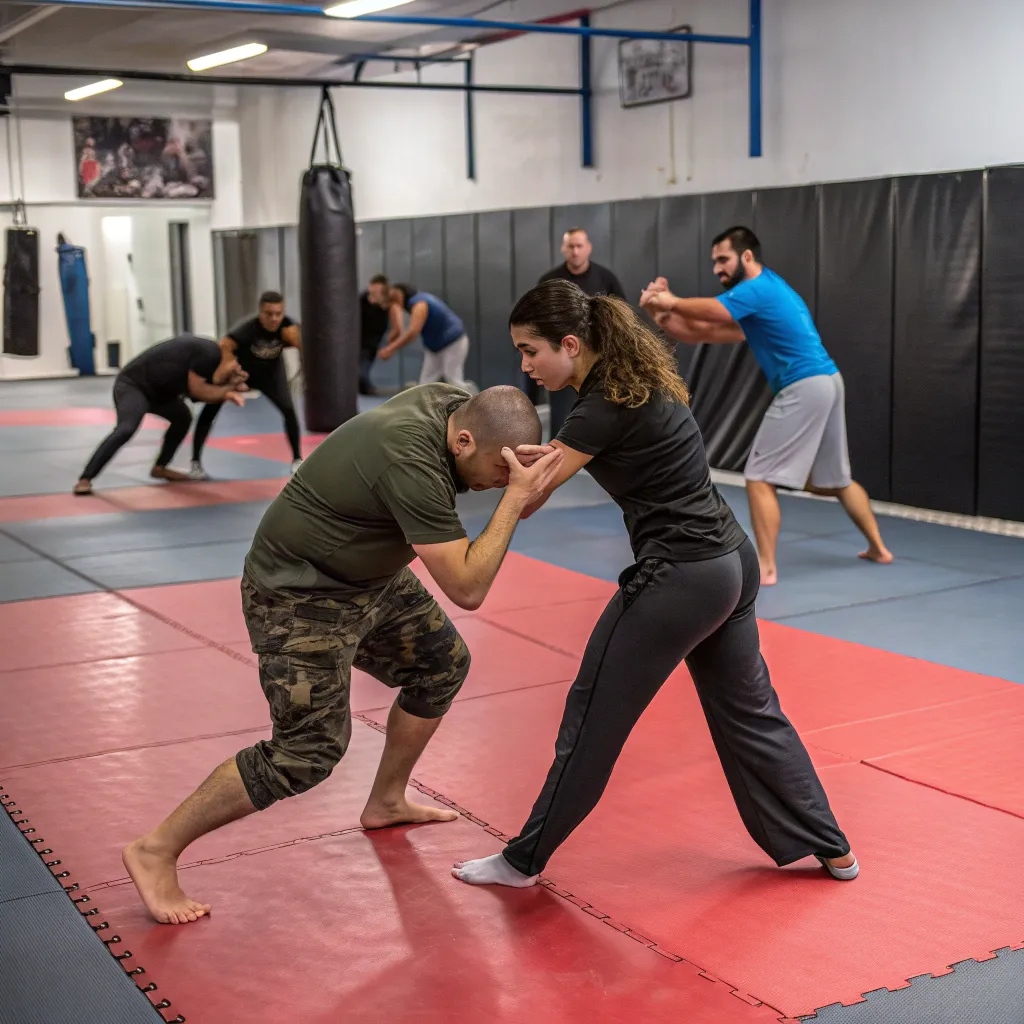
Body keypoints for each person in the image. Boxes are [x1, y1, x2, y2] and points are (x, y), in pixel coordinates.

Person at [452, 280, 857, 890]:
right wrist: (541, 456)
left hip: (682, 577)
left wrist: (493, 468)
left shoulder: (598, 407)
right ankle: (834, 849)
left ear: (569, 345)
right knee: (751, 713)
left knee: (592, 717)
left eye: (530, 351)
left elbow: (529, 499)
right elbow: (567, 456)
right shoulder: (636, 380)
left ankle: (522, 861)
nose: (525, 366)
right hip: (731, 562)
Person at [121, 383, 563, 924]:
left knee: (441, 665)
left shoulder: (456, 410)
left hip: (370, 581)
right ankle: (156, 849)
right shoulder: (410, 458)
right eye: (498, 472)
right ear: (464, 441)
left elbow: (516, 500)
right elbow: (468, 587)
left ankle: (387, 801)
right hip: (299, 594)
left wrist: (529, 479)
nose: (499, 483)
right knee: (307, 751)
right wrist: (515, 497)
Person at [640, 226, 893, 585]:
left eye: (723, 260)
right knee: (836, 480)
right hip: (828, 382)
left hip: (805, 385)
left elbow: (714, 311)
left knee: (758, 476)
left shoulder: (758, 289)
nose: (717, 269)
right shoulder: (764, 297)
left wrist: (670, 301)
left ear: (747, 256)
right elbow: (701, 332)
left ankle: (767, 566)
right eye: (714, 262)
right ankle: (879, 549)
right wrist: (659, 312)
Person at [73, 334, 246, 496]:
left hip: (160, 394)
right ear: (230, 356)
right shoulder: (210, 354)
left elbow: (199, 395)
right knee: (126, 428)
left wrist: (228, 387)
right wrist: (227, 392)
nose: (236, 370)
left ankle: (160, 467)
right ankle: (86, 478)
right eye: (236, 367)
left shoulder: (209, 367)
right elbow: (199, 391)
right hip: (134, 386)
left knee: (182, 418)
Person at [190, 291, 304, 479]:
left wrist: (297, 340)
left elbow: (307, 347)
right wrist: (229, 370)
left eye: (278, 314)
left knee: (289, 410)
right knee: (210, 408)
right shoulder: (248, 329)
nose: (274, 318)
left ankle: (297, 459)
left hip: (271, 376)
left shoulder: (288, 327)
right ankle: (195, 461)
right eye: (269, 314)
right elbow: (225, 344)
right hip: (242, 374)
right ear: (260, 313)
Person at [536, 228, 626, 438]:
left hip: (597, 360)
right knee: (562, 415)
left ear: (588, 248)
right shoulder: (550, 280)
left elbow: (622, 318)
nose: (575, 251)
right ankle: (560, 451)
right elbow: (539, 321)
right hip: (561, 358)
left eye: (579, 246)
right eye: (571, 246)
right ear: (563, 249)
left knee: (599, 410)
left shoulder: (606, 278)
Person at [380, 284, 476, 393]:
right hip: (434, 347)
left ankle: (473, 397)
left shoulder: (419, 302)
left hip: (453, 342)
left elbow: (413, 331)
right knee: (425, 383)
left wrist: (390, 349)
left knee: (453, 380)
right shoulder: (416, 302)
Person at [359, 274, 403, 395]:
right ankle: (366, 388)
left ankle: (367, 388)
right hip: (357, 339)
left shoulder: (389, 304)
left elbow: (397, 328)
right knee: (359, 372)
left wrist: (389, 346)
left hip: (372, 342)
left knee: (362, 371)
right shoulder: (361, 300)